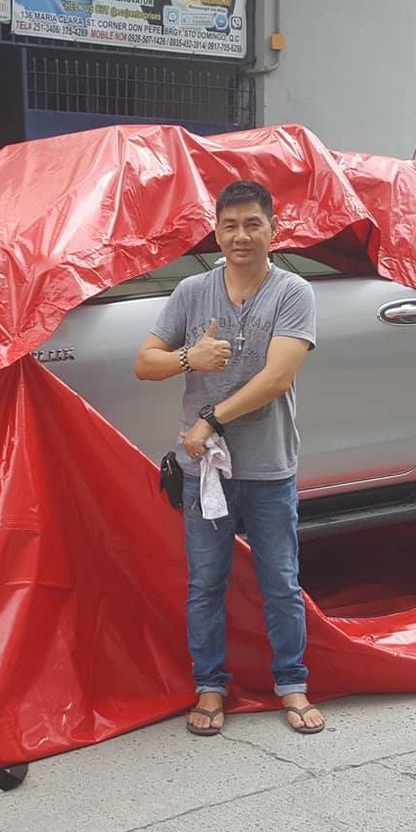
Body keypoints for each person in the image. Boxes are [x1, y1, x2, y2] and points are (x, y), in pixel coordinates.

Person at [133, 180, 323, 737]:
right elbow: (145, 363)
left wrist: (211, 419)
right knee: (206, 582)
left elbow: (277, 376)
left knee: (280, 580)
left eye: (252, 224)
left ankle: (292, 682)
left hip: (267, 465)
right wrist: (190, 357)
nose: (241, 235)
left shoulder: (293, 293)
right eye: (230, 225)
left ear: (273, 230)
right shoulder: (192, 292)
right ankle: (210, 685)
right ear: (216, 231)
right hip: (204, 470)